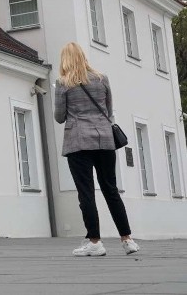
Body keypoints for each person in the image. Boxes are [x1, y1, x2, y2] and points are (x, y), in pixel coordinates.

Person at [54, 42, 140, 257]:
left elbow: (59, 117)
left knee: (86, 193)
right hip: (104, 139)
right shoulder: (102, 79)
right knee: (111, 189)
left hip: (78, 141)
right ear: (83, 57)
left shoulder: (63, 83)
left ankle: (95, 242)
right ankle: (127, 239)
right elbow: (108, 110)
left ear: (64, 60)